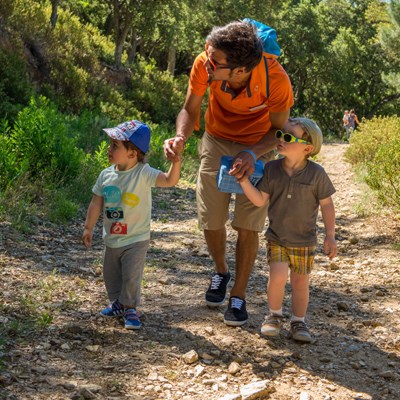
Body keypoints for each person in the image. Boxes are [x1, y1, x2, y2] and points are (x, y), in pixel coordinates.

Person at [164, 20, 294, 326]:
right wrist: (181, 136)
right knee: (210, 216)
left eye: (215, 62)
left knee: (248, 223)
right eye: (209, 55)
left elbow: (278, 130)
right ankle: (221, 271)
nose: (207, 63)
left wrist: (252, 154)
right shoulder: (205, 62)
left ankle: (238, 295)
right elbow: (189, 108)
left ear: (240, 70)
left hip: (257, 144)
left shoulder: (276, 80)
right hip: (217, 138)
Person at [238, 117, 337, 342]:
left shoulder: (317, 174)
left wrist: (330, 235)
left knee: (301, 281)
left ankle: (298, 321)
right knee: (278, 275)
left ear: (307, 148)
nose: (280, 140)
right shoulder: (272, 169)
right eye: (280, 134)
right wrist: (244, 182)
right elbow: (260, 200)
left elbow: (327, 205)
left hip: (304, 240)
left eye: (288, 137)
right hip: (277, 237)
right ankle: (273, 316)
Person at [83, 120, 182, 330]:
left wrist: (176, 162)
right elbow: (96, 203)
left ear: (133, 153)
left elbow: (169, 180)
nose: (109, 150)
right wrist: (88, 227)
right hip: (112, 238)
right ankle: (119, 303)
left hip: (136, 238)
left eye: (115, 146)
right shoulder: (106, 175)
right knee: (111, 274)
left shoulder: (143, 173)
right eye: (110, 145)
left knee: (131, 275)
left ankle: (130, 308)